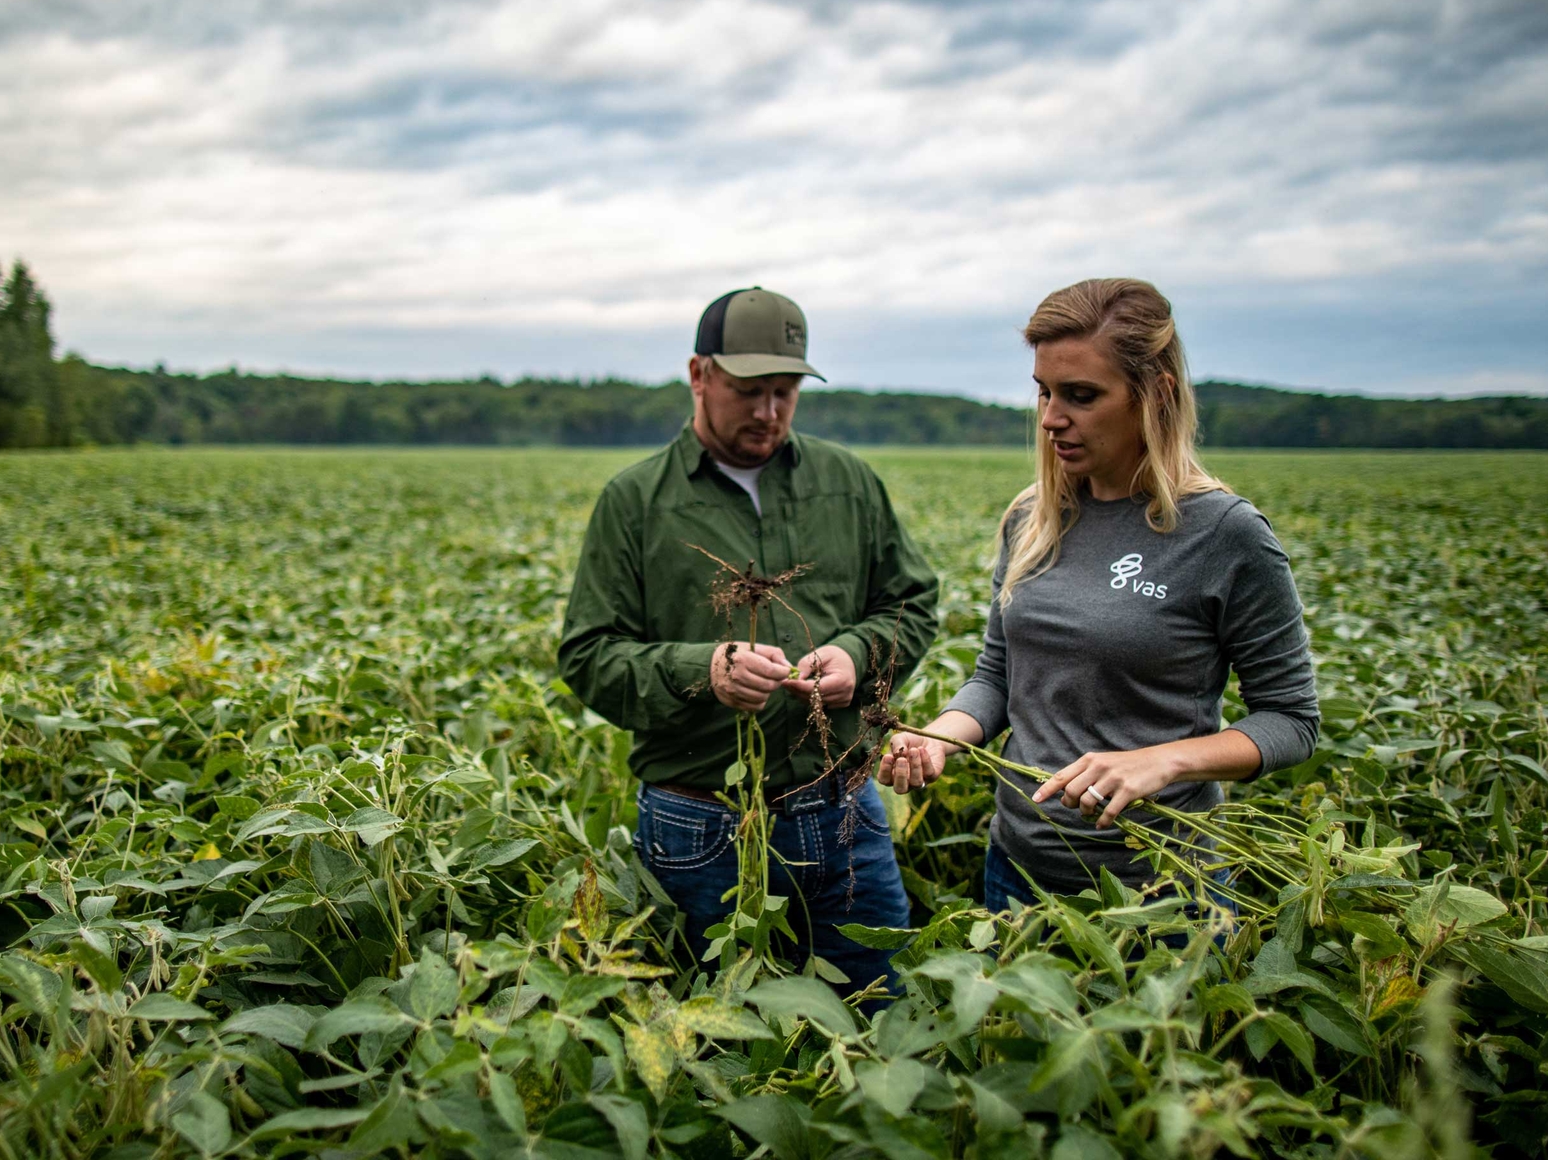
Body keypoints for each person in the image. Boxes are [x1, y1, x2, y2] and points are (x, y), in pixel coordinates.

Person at [877, 278, 1319, 907]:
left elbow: (1292, 721)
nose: (1052, 417)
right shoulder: (1032, 518)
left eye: (1081, 396)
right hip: (1017, 871)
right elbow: (999, 676)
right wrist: (942, 735)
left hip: (1162, 891)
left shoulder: (1226, 534)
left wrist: (1162, 761)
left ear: (1156, 395)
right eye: (1044, 392)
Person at [559, 287, 940, 992]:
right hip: (700, 826)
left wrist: (856, 657)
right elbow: (588, 657)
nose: (768, 412)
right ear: (699, 375)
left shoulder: (848, 484)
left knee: (884, 1009)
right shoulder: (635, 502)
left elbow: (911, 604)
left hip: (842, 809)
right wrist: (703, 667)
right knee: (720, 1042)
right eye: (748, 391)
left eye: (785, 391)